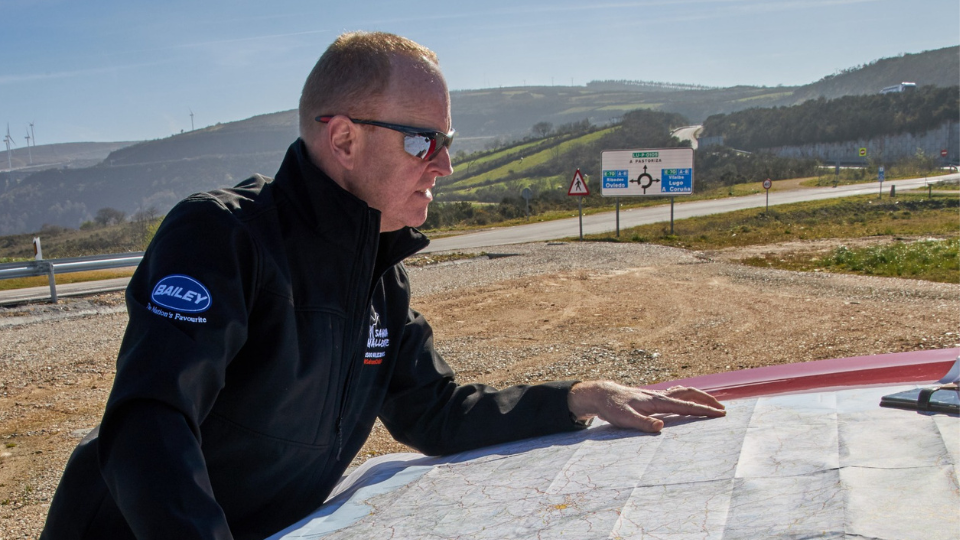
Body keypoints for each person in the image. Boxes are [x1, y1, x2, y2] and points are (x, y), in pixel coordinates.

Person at [41, 31, 725, 540]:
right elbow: (149, 425)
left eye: (446, 140)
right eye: (423, 141)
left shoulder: (379, 279)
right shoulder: (222, 237)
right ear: (342, 141)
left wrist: (581, 396)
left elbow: (436, 411)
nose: (446, 165)